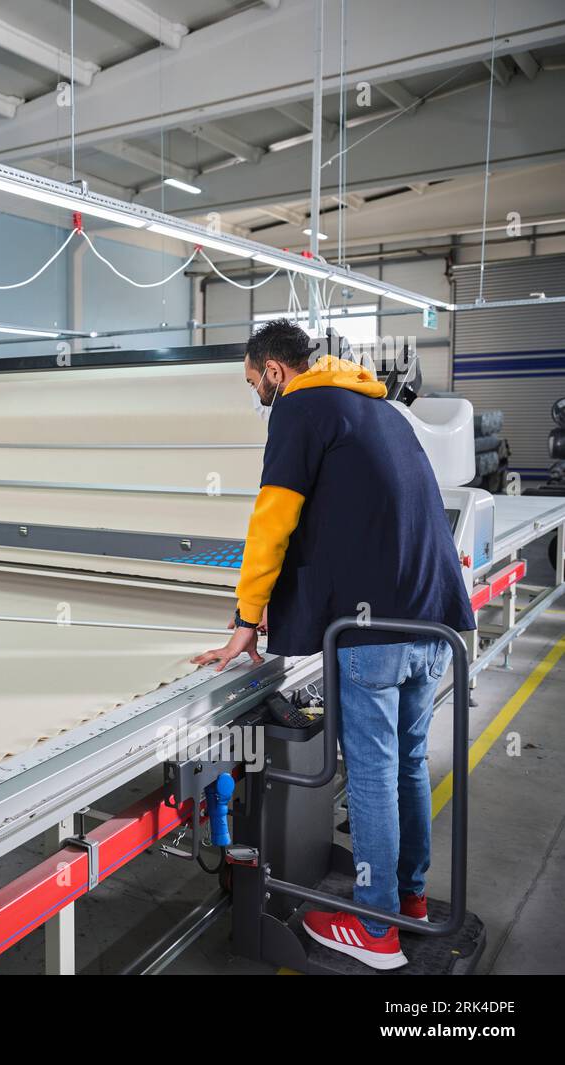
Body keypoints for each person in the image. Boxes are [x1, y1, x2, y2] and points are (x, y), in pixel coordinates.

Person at [192, 319, 474, 971]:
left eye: (252, 382)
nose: (256, 395)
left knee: (372, 770)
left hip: (371, 627)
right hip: (430, 616)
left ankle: (375, 928)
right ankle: (409, 898)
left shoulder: (299, 408)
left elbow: (273, 518)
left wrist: (246, 616)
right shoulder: (378, 408)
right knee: (406, 761)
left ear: (273, 370)